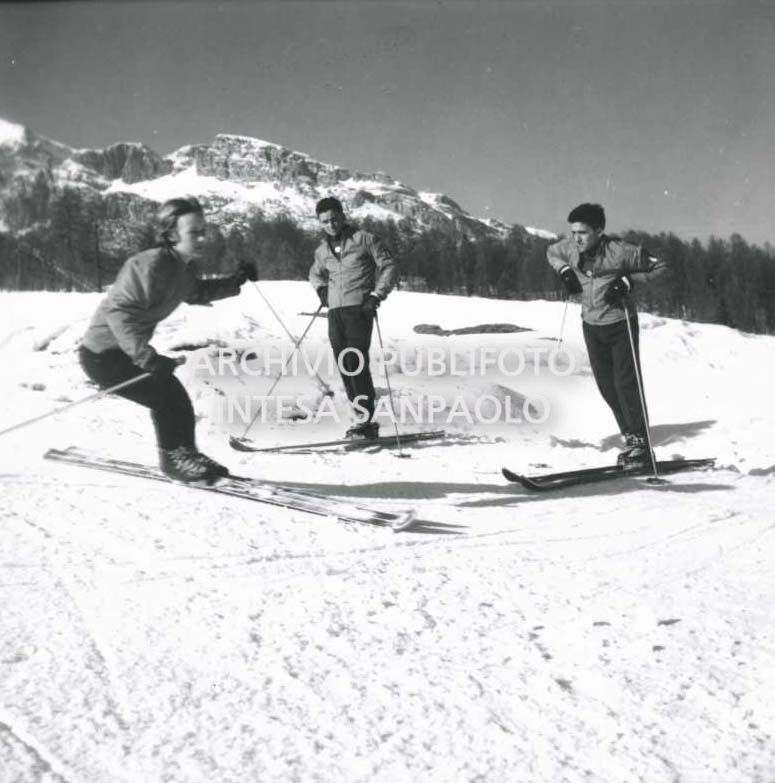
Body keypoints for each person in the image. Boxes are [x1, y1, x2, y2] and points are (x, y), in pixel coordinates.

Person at [79, 196, 257, 483]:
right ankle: (176, 459)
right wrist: (146, 357)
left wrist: (235, 281)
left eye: (204, 230)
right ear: (171, 234)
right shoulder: (149, 265)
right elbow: (118, 312)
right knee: (167, 396)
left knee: (171, 396)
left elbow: (196, 292)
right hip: (102, 355)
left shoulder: (183, 267)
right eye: (194, 232)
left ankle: (183, 454)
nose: (202, 237)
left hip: (124, 351)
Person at [547, 203, 660, 468]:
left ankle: (641, 446)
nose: (577, 238)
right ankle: (631, 438)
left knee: (625, 384)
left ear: (599, 231)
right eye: (573, 232)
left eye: (583, 232)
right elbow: (551, 253)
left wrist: (629, 282)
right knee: (606, 386)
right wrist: (564, 271)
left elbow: (659, 265)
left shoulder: (621, 252)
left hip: (620, 324)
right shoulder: (568, 248)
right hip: (591, 325)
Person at [308, 197, 396, 439]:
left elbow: (388, 266)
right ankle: (360, 420)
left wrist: (376, 295)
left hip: (360, 309)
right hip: (335, 313)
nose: (331, 225)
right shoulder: (322, 250)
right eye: (325, 221)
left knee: (356, 363)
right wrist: (321, 290)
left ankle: (366, 421)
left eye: (334, 219)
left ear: (343, 216)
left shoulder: (364, 239)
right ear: (320, 223)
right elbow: (314, 274)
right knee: (345, 365)